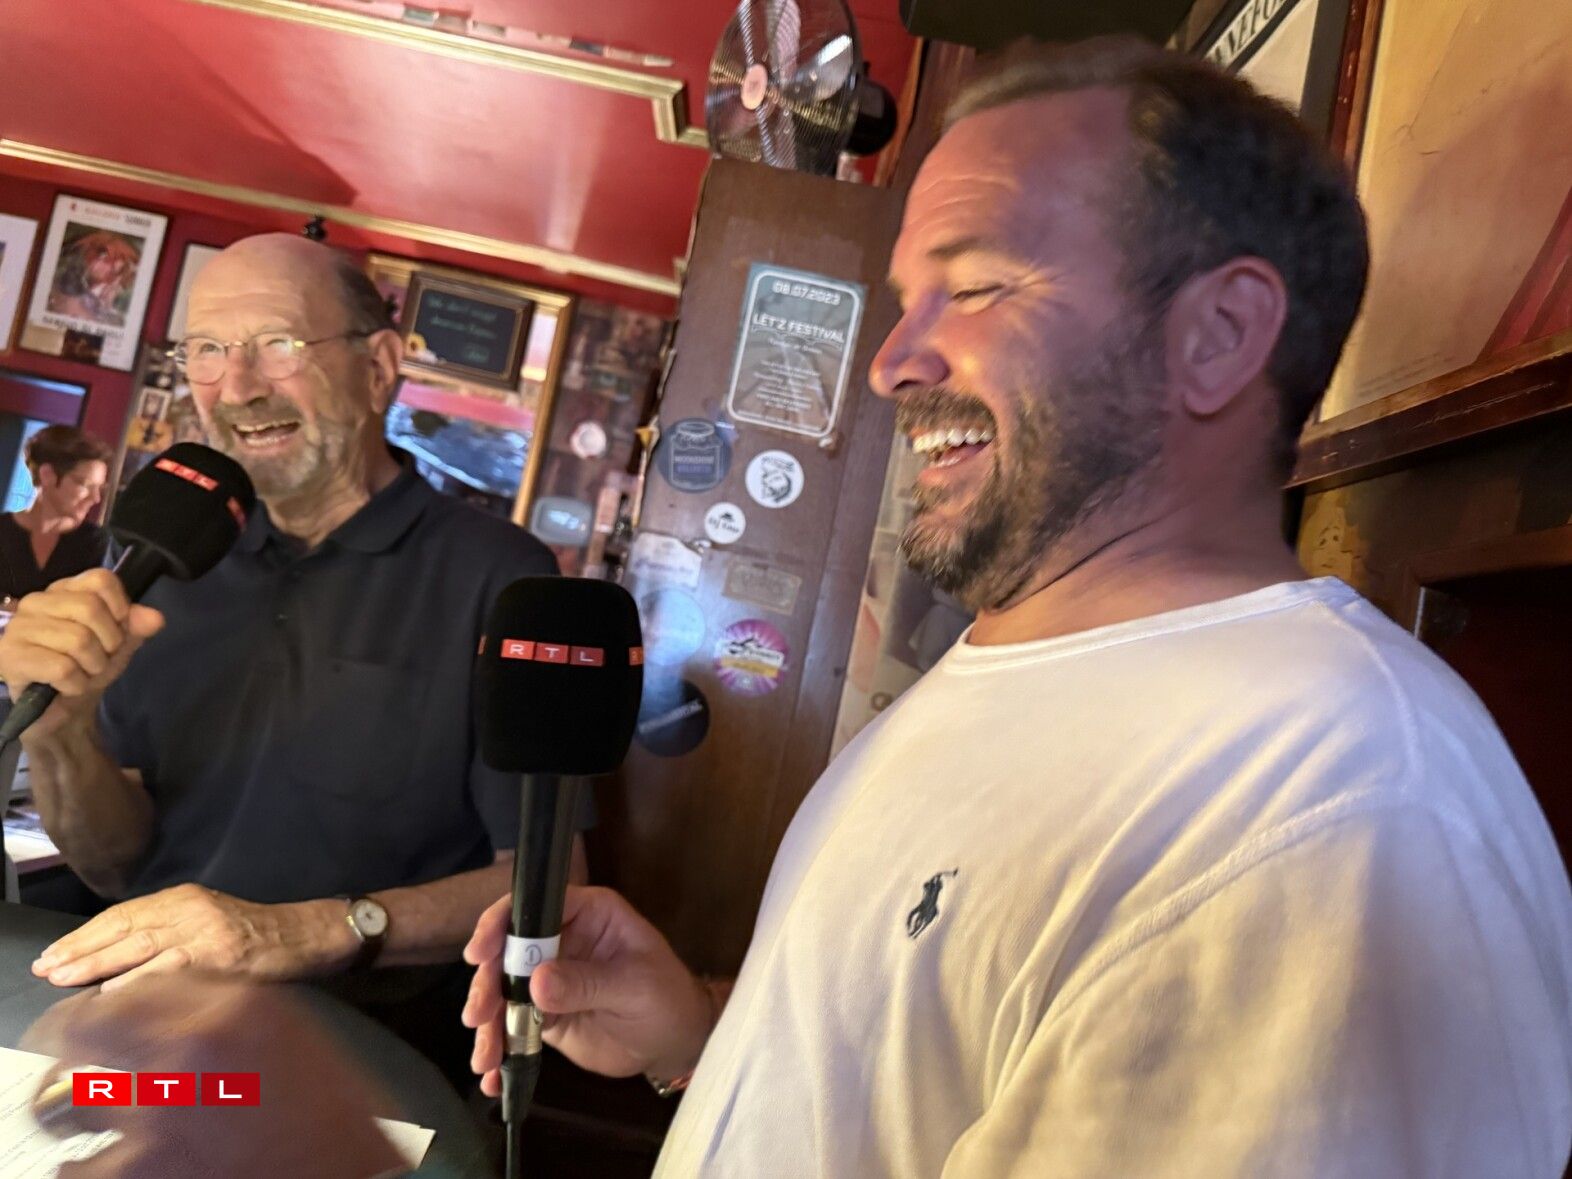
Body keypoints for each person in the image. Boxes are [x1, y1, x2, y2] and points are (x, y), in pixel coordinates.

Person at [26, 37, 1572, 1177]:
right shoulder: (1010, 675)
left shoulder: (1339, 816)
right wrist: (706, 1031)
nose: (894, 361)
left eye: (980, 282)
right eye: (904, 298)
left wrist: (322, 1141)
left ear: (1220, 335)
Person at [0, 234, 578, 1085]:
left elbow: (550, 882)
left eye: (279, 343)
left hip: (370, 1059)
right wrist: (59, 731)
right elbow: (115, 861)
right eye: (206, 350)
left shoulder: (504, 578)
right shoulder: (164, 563)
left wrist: (297, 934)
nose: (236, 387)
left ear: (379, 368)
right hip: (143, 1034)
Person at [0, 425, 112, 604]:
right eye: (85, 484)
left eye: (99, 488)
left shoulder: (99, 545)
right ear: (47, 475)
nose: (95, 498)